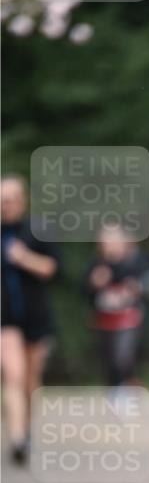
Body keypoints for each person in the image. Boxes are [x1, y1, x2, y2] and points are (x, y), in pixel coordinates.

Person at [1, 174, 60, 464]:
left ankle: (26, 430)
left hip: (35, 316)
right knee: (13, 373)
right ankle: (16, 437)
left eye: (10, 199)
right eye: (1, 200)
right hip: (5, 319)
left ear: (22, 200)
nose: (5, 205)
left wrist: (23, 258)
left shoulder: (37, 231)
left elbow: (52, 269)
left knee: (30, 379)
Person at [83, 223, 149, 389]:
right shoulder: (96, 264)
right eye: (105, 242)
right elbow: (84, 291)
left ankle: (127, 383)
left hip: (130, 319)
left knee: (124, 356)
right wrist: (94, 283)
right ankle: (116, 390)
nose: (110, 245)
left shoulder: (137, 261)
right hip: (104, 320)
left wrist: (136, 287)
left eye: (113, 241)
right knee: (107, 358)